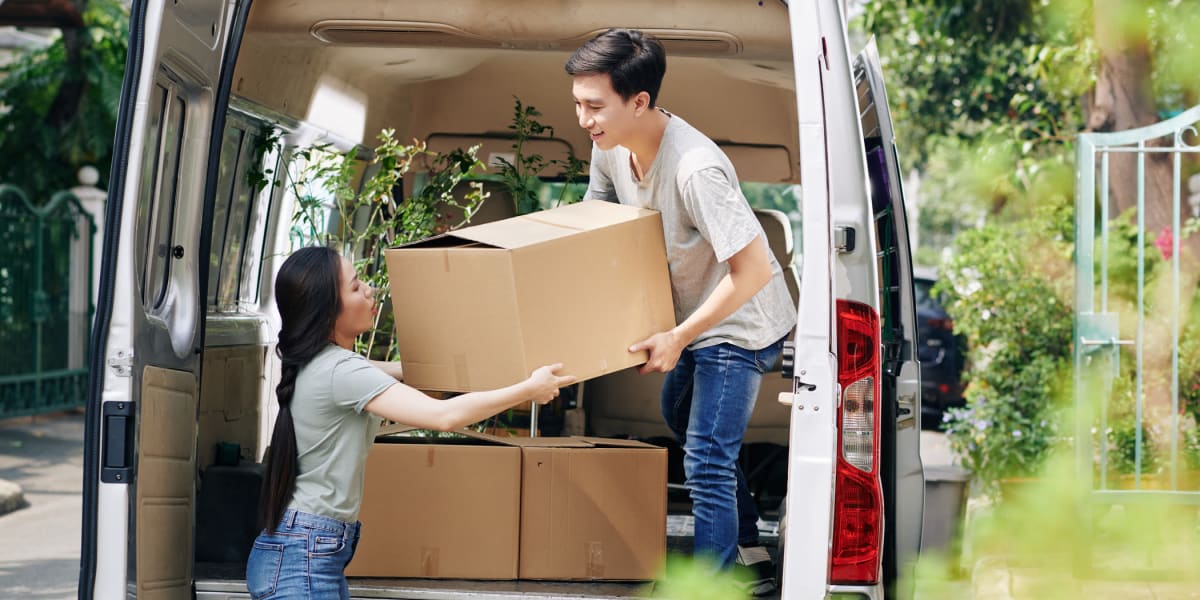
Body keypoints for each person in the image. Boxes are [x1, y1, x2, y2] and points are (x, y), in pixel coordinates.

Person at [566, 29, 795, 596]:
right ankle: (749, 541)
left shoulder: (696, 170)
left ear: (638, 101)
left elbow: (754, 272)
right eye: (577, 103)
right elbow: (599, 211)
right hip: (693, 317)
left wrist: (677, 336)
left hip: (741, 322)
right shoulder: (608, 144)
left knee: (705, 461)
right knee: (682, 415)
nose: (583, 119)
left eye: (594, 106)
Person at [245, 246, 575, 599]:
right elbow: (443, 417)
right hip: (304, 554)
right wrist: (529, 389)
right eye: (355, 287)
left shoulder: (329, 363)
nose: (369, 290)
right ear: (327, 311)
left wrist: (503, 363)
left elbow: (416, 375)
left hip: (303, 549)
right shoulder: (341, 371)